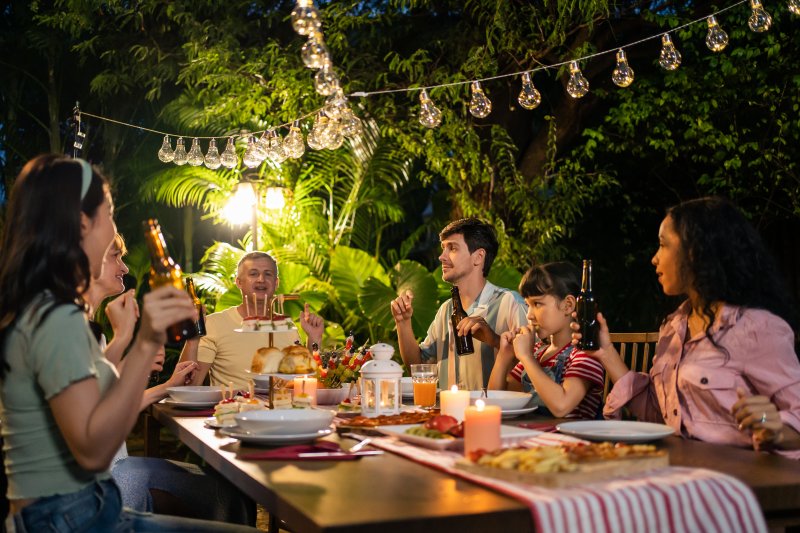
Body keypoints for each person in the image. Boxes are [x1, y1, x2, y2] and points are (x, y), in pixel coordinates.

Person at [0, 154, 258, 531]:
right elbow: (94, 451)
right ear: (82, 223)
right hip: (66, 518)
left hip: (65, 512)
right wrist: (144, 341)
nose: (113, 229)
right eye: (109, 212)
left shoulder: (41, 308)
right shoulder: (55, 317)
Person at [579, 197, 800, 458]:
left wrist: (772, 425)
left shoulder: (756, 328)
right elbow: (659, 414)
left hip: (744, 484)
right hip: (685, 474)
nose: (654, 259)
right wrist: (606, 353)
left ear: (695, 252)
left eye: (663, 245)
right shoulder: (674, 327)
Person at [390, 218, 527, 390]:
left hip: (496, 414)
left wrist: (494, 340)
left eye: (452, 248)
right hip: (448, 414)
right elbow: (418, 367)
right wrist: (403, 323)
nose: (441, 257)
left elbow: (533, 365)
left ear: (478, 257)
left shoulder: (510, 303)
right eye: (443, 249)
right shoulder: (446, 310)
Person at [180, 251, 325, 387]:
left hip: (283, 410)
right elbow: (190, 384)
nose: (261, 279)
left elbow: (304, 377)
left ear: (276, 283)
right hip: (234, 410)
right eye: (253, 274)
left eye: (268, 274)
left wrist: (314, 339)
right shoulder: (214, 324)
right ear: (239, 282)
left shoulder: (287, 326)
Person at [487, 262, 605, 419]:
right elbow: (497, 401)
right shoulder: (537, 351)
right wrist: (504, 357)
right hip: (535, 437)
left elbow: (561, 406)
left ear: (568, 305)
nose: (529, 315)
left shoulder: (586, 354)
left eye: (537, 304)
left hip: (570, 440)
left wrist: (526, 357)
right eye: (528, 305)